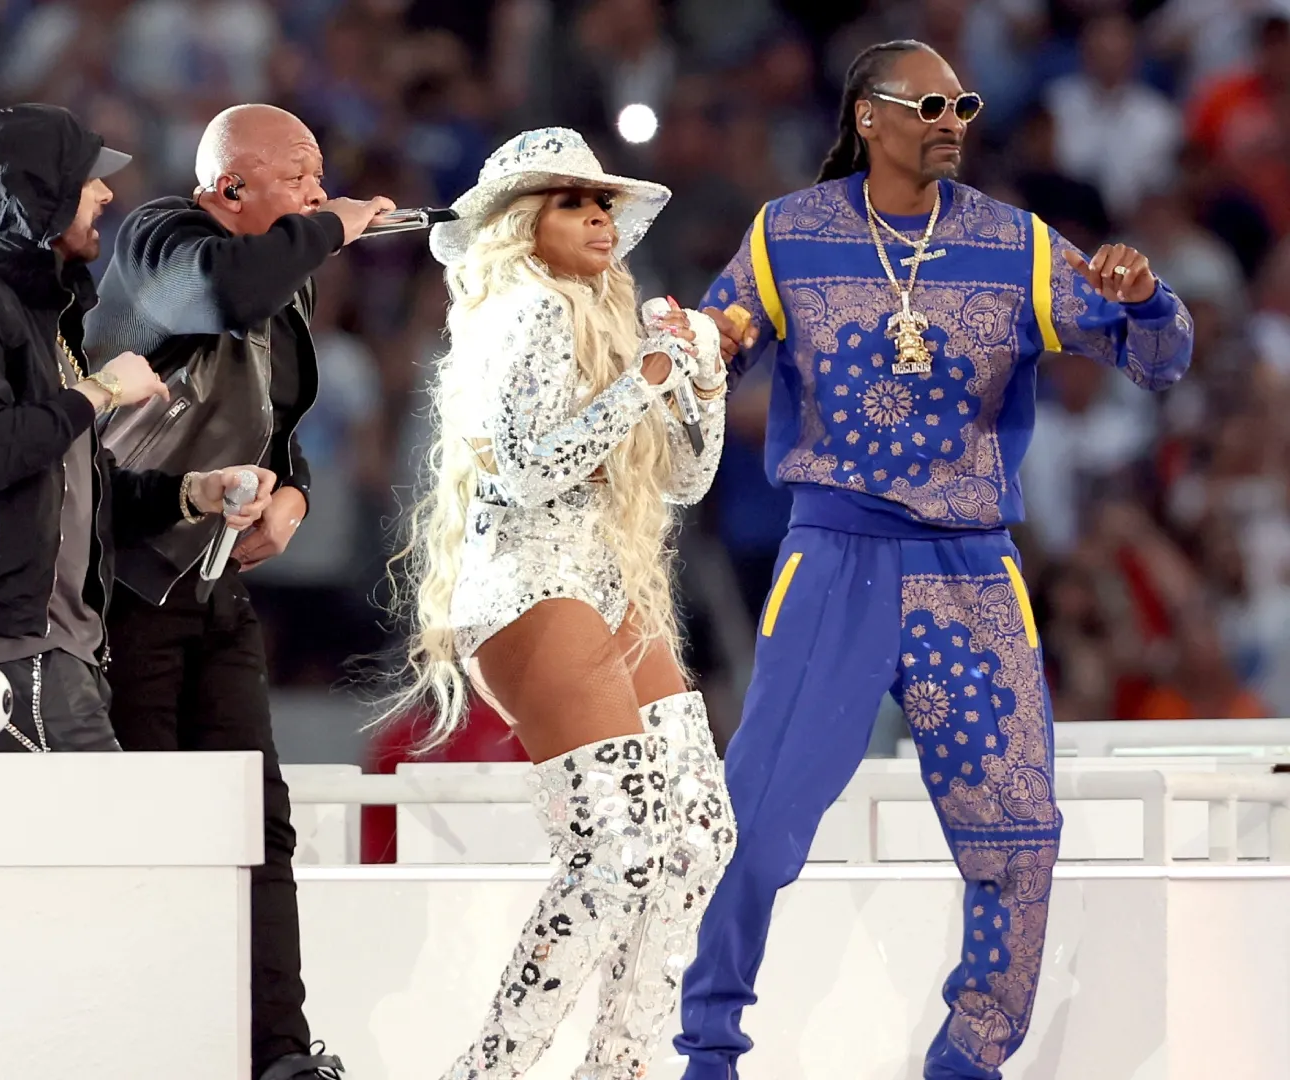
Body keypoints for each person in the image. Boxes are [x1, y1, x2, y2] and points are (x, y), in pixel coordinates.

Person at [674, 41, 1194, 1080]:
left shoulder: (1019, 245)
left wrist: (1145, 300)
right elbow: (711, 337)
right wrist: (689, 342)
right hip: (833, 558)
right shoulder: (790, 233)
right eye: (928, 103)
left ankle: (971, 1057)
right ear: (868, 116)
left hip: (971, 569)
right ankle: (707, 1051)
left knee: (1017, 832)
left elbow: (1158, 361)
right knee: (757, 825)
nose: (952, 118)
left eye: (963, 102)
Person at [393, 126, 735, 1080]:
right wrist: (648, 379)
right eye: (571, 201)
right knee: (620, 850)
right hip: (525, 583)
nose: (598, 217)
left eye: (603, 204)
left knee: (700, 837)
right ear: (517, 224)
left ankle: (620, 1066)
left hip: (603, 579)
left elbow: (686, 481)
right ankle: (489, 1072)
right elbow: (531, 468)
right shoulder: (515, 313)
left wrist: (695, 381)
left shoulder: (606, 321)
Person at [81, 103, 393, 1080]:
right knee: (147, 827)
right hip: (122, 585)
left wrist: (292, 494)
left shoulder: (285, 292)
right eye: (299, 177)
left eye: (321, 178)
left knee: (256, 822)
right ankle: (147, 1043)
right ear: (230, 188)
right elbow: (217, 294)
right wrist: (330, 226)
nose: (317, 193)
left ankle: (278, 1054)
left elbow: (279, 427)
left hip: (214, 588)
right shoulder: (158, 241)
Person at [0, 103, 275, 755]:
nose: (107, 193)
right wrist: (103, 389)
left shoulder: (44, 318)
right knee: (109, 847)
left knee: (52, 851)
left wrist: (189, 492)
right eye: (88, 178)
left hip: (57, 640)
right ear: (39, 192)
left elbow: (75, 484)